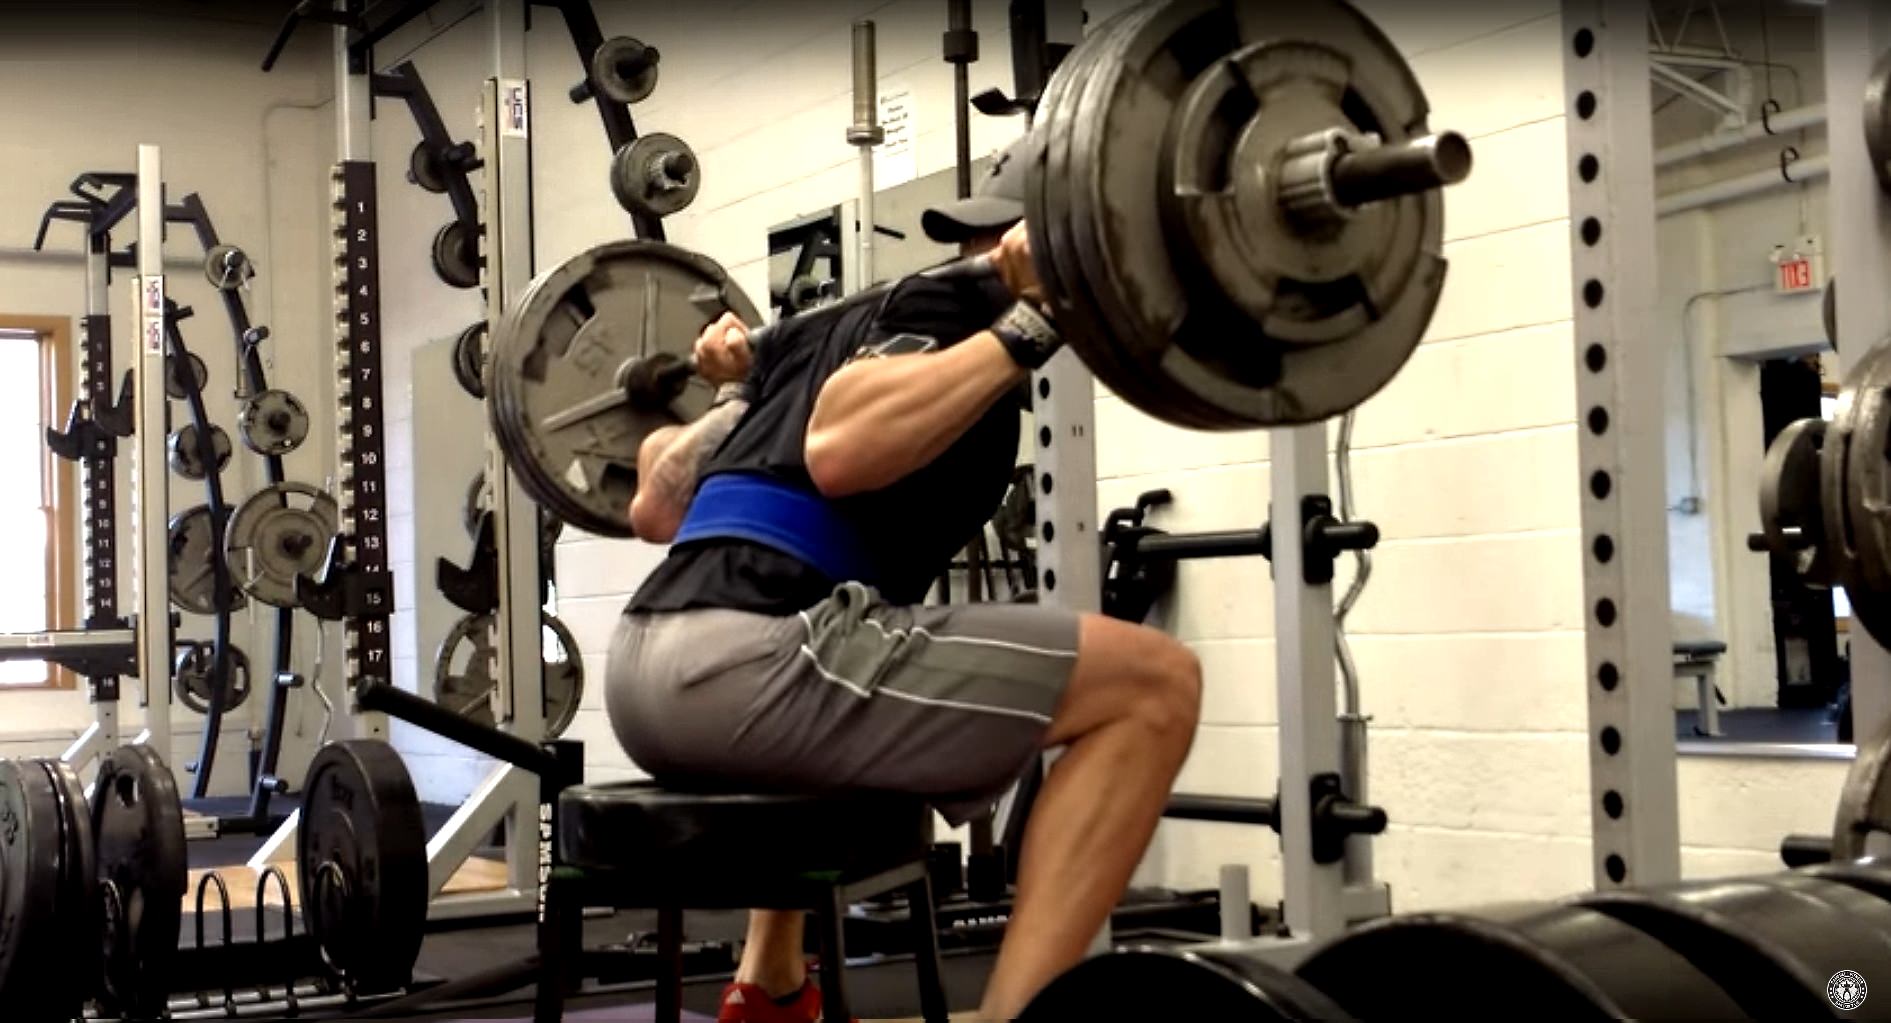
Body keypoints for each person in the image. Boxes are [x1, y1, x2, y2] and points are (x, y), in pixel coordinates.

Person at [607, 138, 1202, 1023]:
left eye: (993, 235)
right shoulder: (942, 307)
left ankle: (769, 986)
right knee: (1155, 685)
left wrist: (739, 390)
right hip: (744, 660)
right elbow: (837, 449)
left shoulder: (805, 345)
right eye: (983, 238)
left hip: (645, 669)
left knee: (859, 677)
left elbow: (657, 509)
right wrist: (1033, 321)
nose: (980, 253)